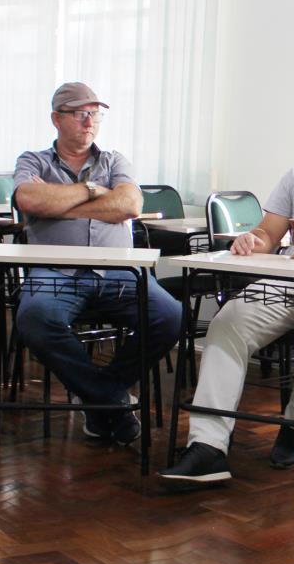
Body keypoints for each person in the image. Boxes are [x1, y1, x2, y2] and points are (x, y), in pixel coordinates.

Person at [158, 87, 294, 485]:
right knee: (228, 321)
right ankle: (208, 446)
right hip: (290, 278)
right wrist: (252, 240)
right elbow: (268, 232)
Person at [11, 82, 181, 444]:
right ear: (56, 119)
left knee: (170, 315)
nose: (89, 122)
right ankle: (111, 401)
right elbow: (28, 199)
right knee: (34, 317)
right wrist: (93, 192)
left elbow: (130, 206)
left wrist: (59, 205)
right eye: (79, 113)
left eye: (95, 114)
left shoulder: (114, 160)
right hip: (54, 270)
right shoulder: (33, 161)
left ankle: (99, 396)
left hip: (117, 271)